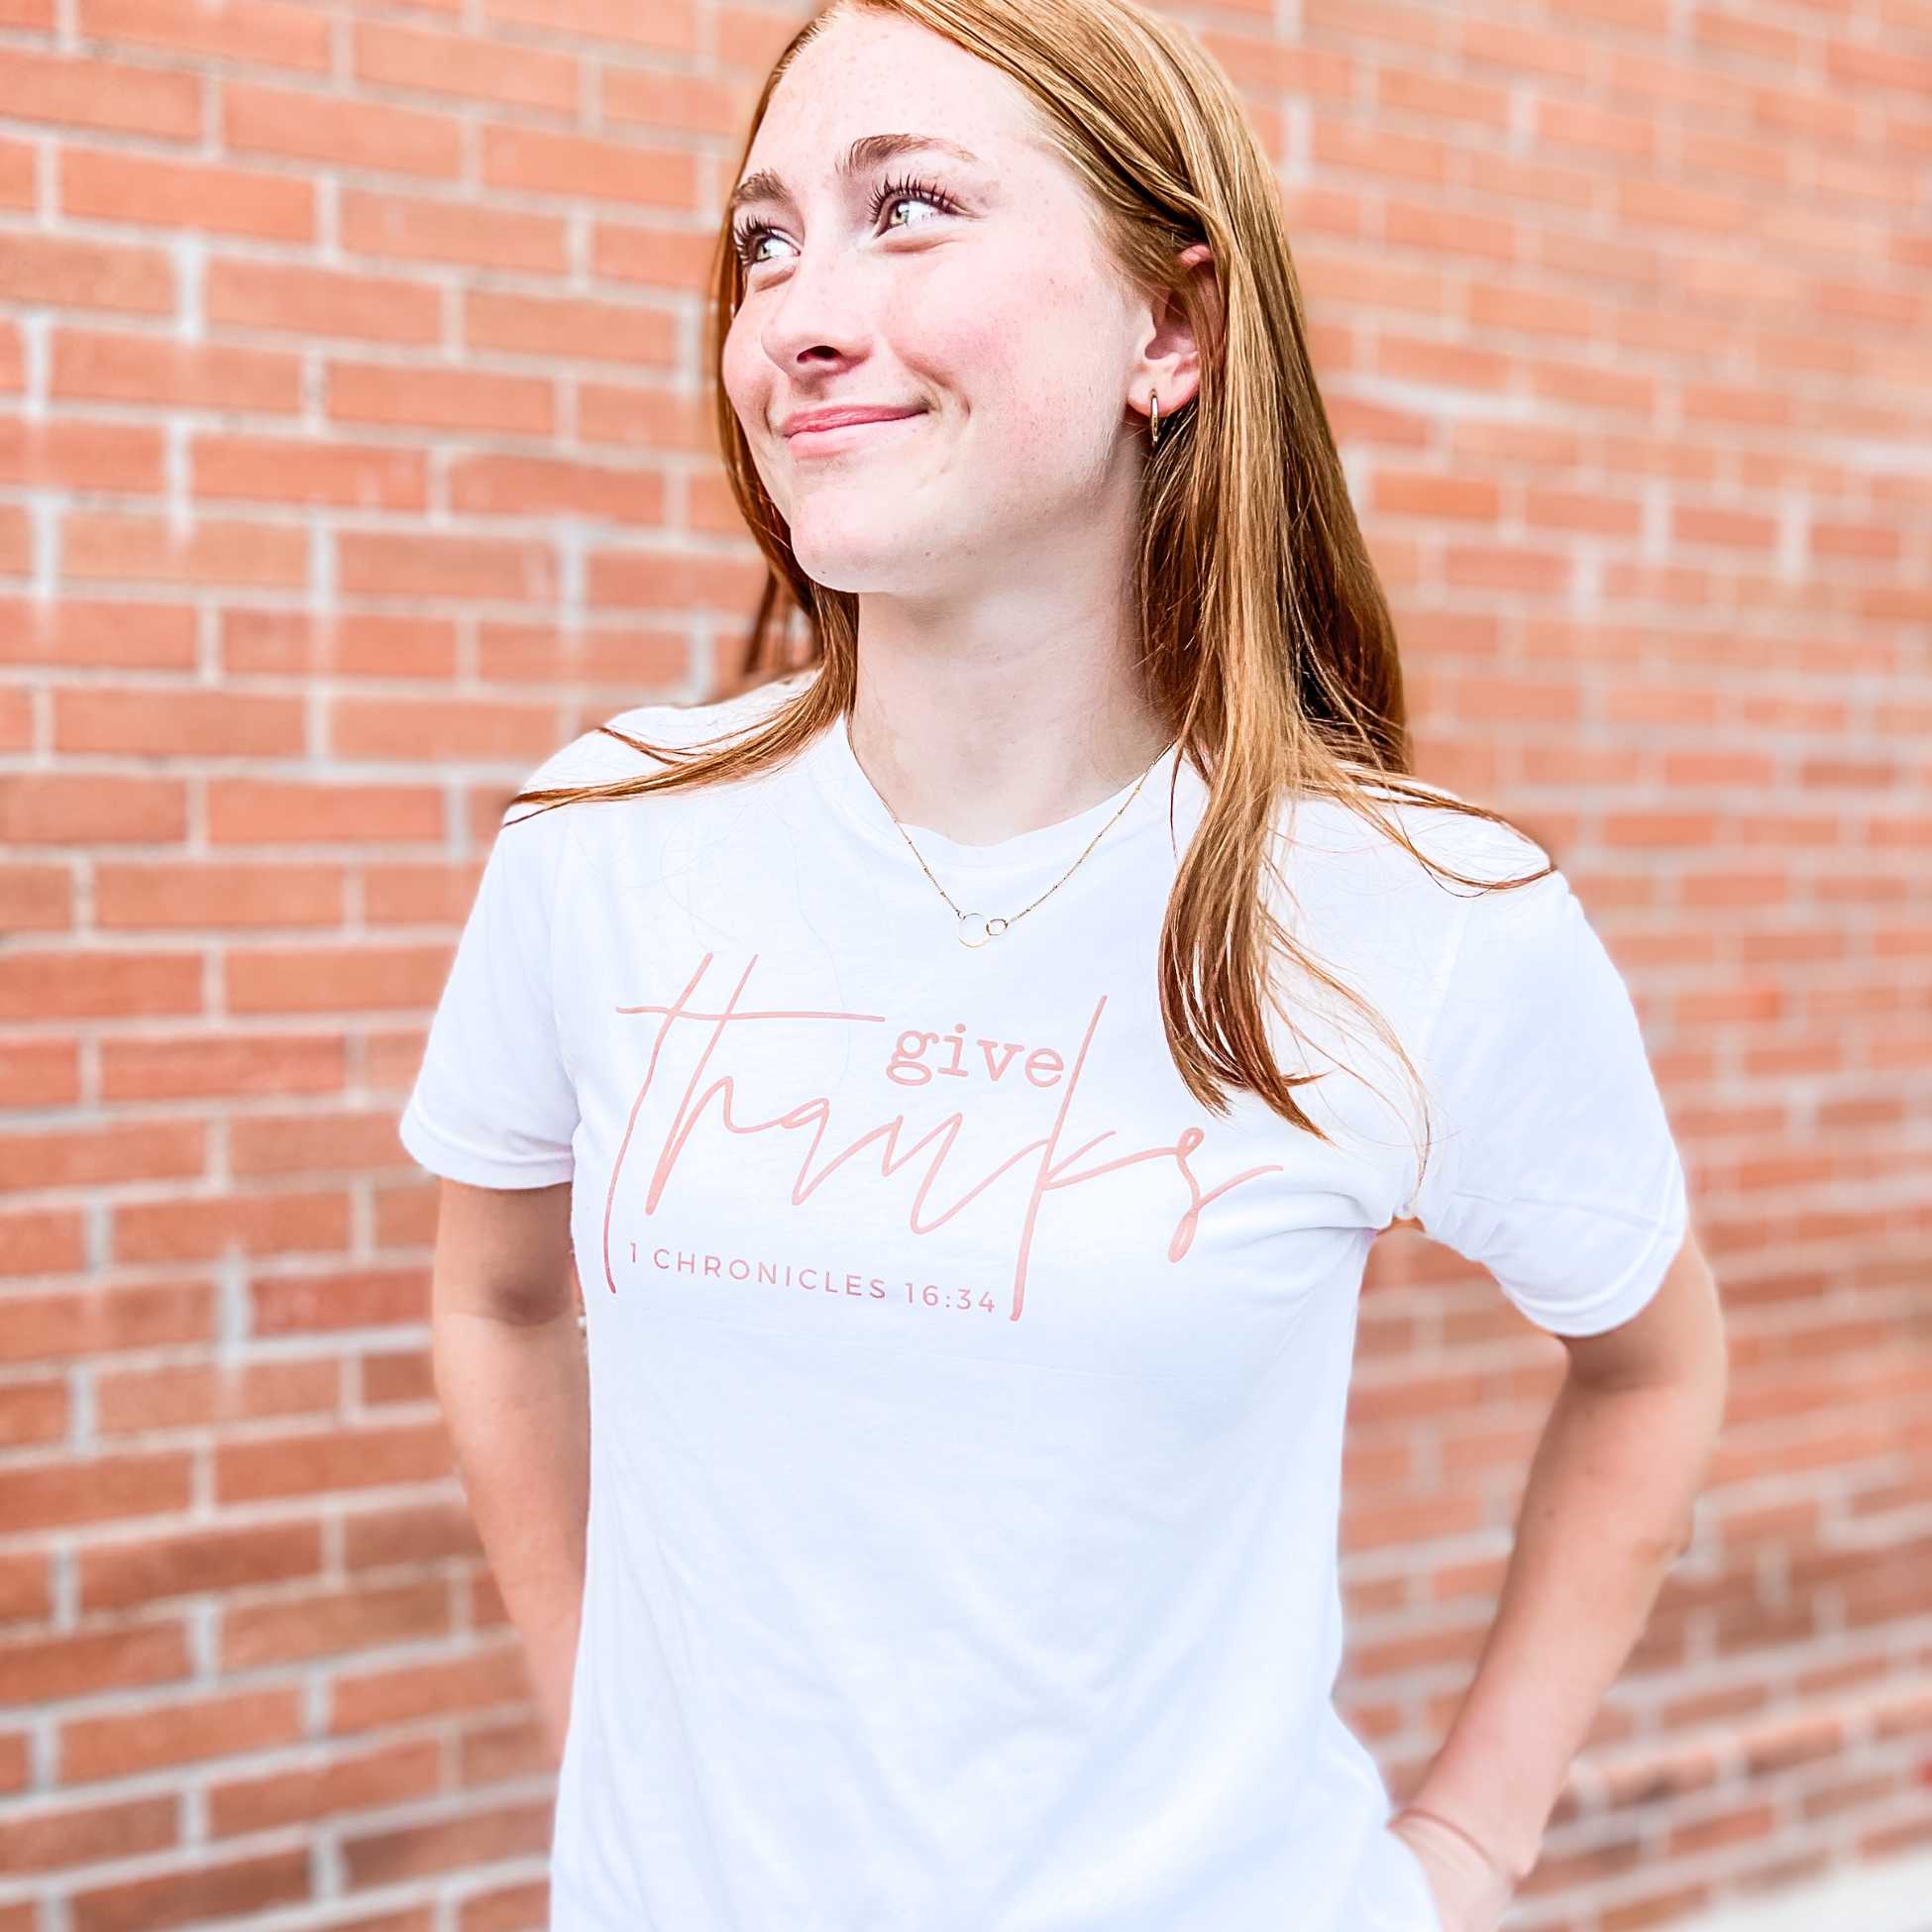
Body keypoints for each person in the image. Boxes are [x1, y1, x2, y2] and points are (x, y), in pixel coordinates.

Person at [401, 0, 1729, 1926]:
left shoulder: (1417, 917)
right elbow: (496, 1303)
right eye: (766, 239)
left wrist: (1464, 1848)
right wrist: (600, 1741)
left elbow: (1653, 1369)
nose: (795, 317)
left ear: (1168, 331)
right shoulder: (601, 841)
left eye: (909, 207)